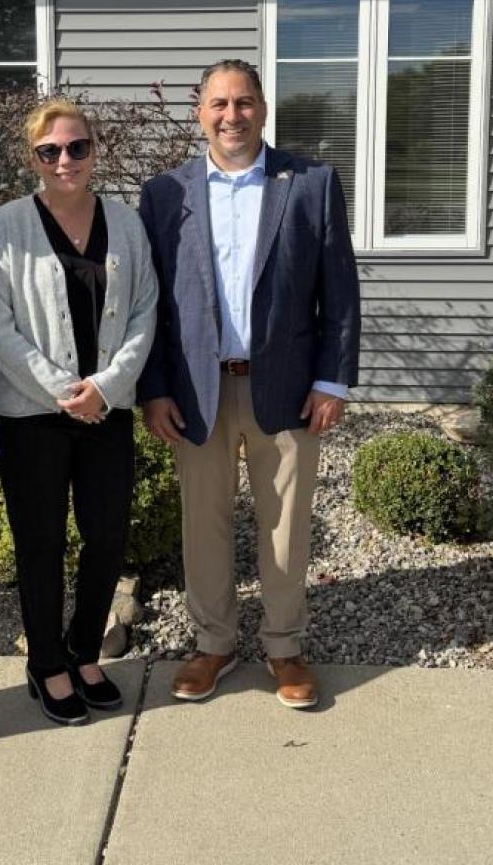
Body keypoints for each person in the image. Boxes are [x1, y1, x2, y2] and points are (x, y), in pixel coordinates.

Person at [138, 58, 360, 709]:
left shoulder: (311, 183)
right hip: (195, 389)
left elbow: (339, 291)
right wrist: (153, 387)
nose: (230, 115)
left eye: (243, 103)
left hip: (287, 387)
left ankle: (284, 648)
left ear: (262, 109)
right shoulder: (165, 194)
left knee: (285, 525)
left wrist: (332, 381)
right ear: (199, 113)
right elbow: (150, 303)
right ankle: (214, 643)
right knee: (202, 525)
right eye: (218, 104)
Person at [0, 99, 157, 726]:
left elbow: (145, 311)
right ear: (33, 158)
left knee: (107, 535)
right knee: (42, 541)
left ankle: (85, 651)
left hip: (107, 409)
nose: (64, 160)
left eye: (76, 147)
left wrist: (105, 387)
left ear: (94, 151)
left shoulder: (127, 225)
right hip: (30, 415)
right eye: (49, 151)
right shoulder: (6, 225)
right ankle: (46, 662)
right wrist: (63, 389)